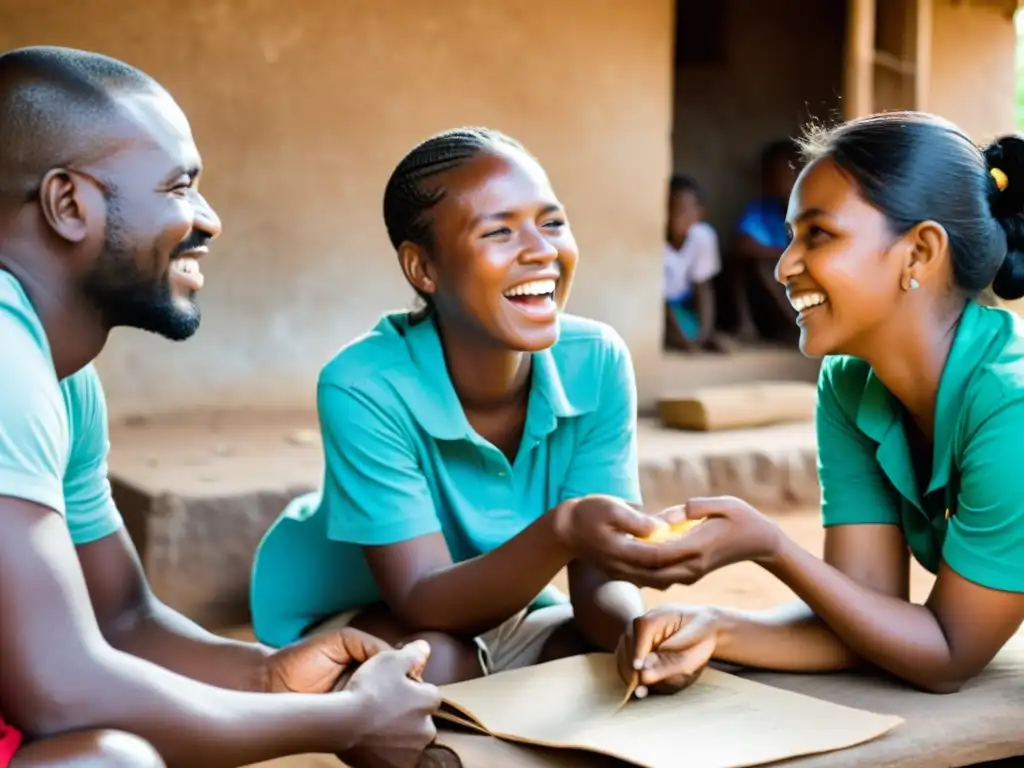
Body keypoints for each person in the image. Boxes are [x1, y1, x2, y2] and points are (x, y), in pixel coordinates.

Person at [0, 46, 441, 768]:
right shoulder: (5, 357)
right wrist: (342, 725)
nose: (209, 220)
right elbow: (62, 692)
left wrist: (269, 676)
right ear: (67, 203)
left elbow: (123, 621)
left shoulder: (63, 380)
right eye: (179, 187)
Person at [611, 111, 1024, 698]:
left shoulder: (1012, 409)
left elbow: (948, 653)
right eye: (789, 236)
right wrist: (715, 627)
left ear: (919, 253)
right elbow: (866, 614)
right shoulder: (852, 384)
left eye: (818, 235)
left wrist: (772, 547)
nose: (784, 266)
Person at [250, 127, 680, 686]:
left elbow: (598, 590)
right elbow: (420, 599)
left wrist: (638, 638)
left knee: (600, 668)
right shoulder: (364, 384)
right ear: (423, 270)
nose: (541, 251)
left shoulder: (595, 361)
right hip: (364, 608)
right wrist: (564, 530)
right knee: (431, 667)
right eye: (499, 232)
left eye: (552, 223)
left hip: (506, 597)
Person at [727, 139, 802, 344]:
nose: (771, 180)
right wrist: (784, 256)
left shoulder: (812, 207)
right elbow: (741, 244)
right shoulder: (762, 209)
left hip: (806, 287)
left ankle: (802, 329)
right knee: (748, 263)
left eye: (778, 173)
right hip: (773, 296)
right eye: (768, 174)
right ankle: (748, 328)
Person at [662, 174, 727, 352]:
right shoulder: (657, 245)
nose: (680, 218)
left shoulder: (703, 236)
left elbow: (703, 287)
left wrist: (705, 333)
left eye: (688, 210)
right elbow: (663, 303)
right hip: (665, 309)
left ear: (699, 214)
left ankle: (705, 336)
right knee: (675, 331)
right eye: (675, 210)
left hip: (685, 304)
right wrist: (685, 342)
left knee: (697, 330)